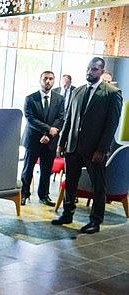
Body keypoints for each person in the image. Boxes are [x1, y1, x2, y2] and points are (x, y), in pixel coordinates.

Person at [52, 57, 123, 233]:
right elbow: (69, 118)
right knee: (70, 183)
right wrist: (61, 143)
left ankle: (95, 221)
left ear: (102, 71)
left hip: (94, 150)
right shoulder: (78, 91)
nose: (89, 72)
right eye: (88, 69)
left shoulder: (112, 93)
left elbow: (111, 125)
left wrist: (102, 149)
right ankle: (67, 214)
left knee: (98, 186)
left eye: (93, 70)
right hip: (73, 147)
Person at [20, 71, 64, 207]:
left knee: (46, 170)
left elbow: (61, 118)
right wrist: (47, 129)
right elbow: (30, 119)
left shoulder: (59, 99)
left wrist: (49, 134)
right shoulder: (30, 98)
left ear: (54, 81)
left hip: (50, 141)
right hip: (33, 139)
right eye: (45, 78)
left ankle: (44, 195)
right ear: (40, 80)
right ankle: (24, 194)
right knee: (28, 169)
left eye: (51, 79)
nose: (48, 81)